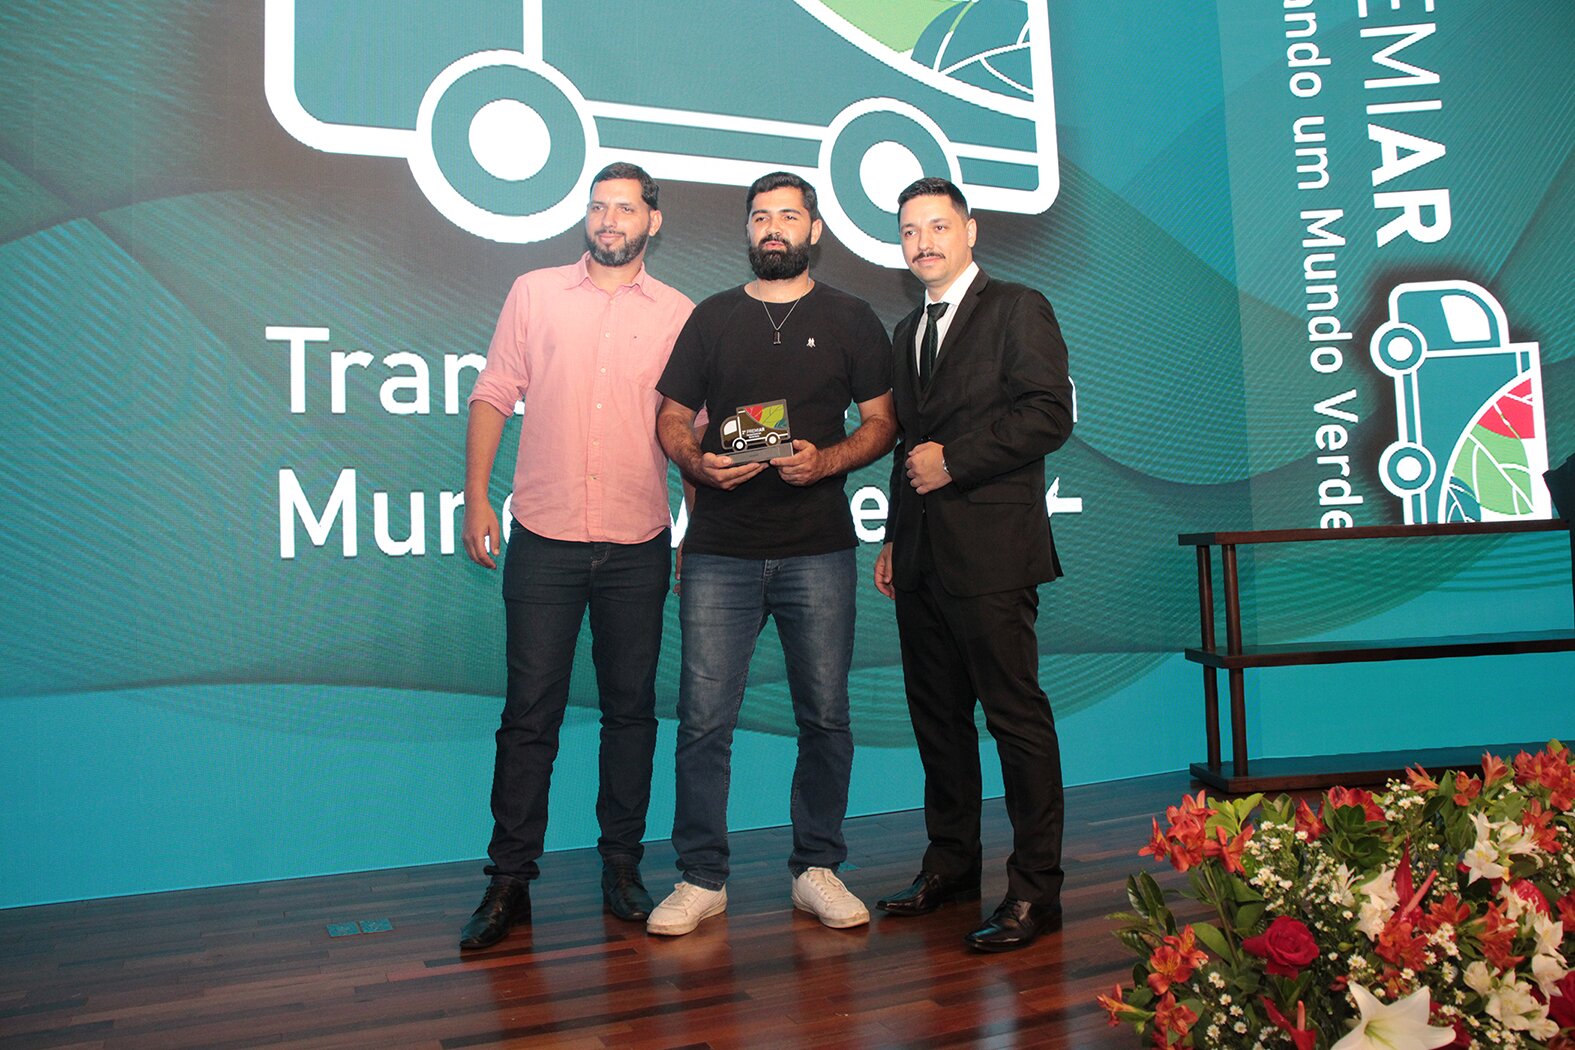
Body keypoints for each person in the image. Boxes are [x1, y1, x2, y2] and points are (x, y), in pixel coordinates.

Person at [647, 171, 896, 936]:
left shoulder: (851, 317)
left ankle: (816, 867)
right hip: (719, 552)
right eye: (761, 216)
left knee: (824, 716)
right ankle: (701, 877)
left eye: (789, 215)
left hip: (817, 550)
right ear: (748, 231)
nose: (774, 227)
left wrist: (826, 461)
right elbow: (670, 418)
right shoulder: (712, 317)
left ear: (814, 230)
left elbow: (882, 423)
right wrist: (696, 460)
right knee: (702, 721)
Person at [457, 162, 694, 950]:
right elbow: (494, 390)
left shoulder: (680, 314)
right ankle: (508, 882)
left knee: (631, 714)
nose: (608, 219)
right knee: (528, 716)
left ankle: (622, 868)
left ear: (652, 221)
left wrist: (695, 530)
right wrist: (476, 497)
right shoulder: (534, 293)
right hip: (544, 540)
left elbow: (694, 429)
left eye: (624, 207)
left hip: (638, 543)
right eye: (597, 206)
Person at [872, 177, 1075, 953]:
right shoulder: (905, 330)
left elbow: (1048, 413)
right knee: (938, 722)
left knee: (1015, 722)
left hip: (992, 554)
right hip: (920, 558)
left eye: (936, 226)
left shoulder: (1017, 307)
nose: (921, 242)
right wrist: (894, 536)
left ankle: (1036, 890)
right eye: (908, 231)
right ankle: (951, 867)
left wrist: (954, 460)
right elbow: (906, 448)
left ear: (969, 230)